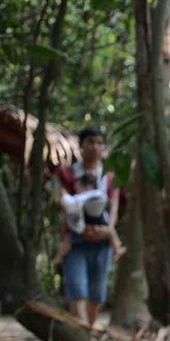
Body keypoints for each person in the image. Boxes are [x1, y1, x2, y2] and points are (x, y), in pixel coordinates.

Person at [52, 128, 120, 327]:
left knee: (97, 294)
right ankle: (83, 338)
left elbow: (113, 205)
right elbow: (62, 201)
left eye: (100, 143)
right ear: (81, 145)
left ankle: (88, 334)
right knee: (77, 291)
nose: (95, 147)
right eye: (90, 142)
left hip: (102, 240)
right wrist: (82, 229)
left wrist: (108, 229)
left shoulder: (108, 176)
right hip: (75, 241)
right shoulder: (66, 173)